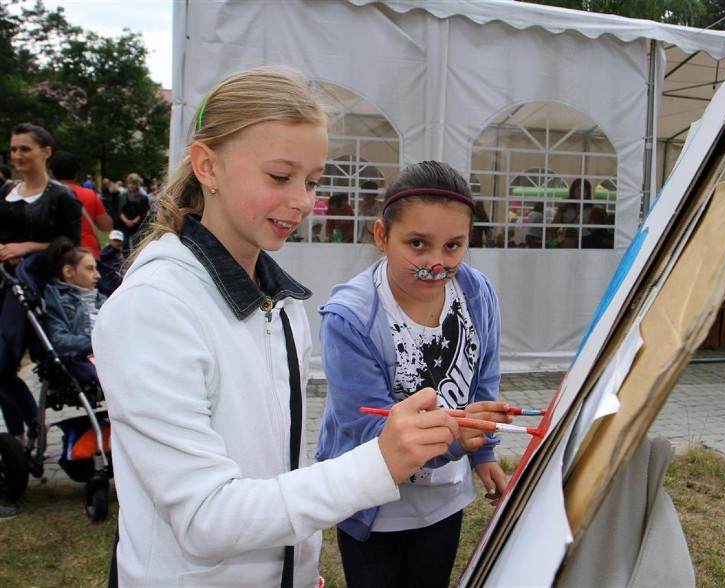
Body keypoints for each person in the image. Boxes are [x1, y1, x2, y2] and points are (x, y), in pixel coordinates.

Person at [91, 65, 465, 587]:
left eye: (312, 180)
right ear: (208, 166)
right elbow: (205, 518)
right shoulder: (154, 308)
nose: (302, 201)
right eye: (279, 176)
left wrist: (295, 565)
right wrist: (379, 462)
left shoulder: (283, 304)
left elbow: (273, 473)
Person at [316, 160, 510, 588]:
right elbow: (367, 427)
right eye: (418, 244)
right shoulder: (349, 319)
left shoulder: (477, 293)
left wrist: (483, 451)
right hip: (375, 505)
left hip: (443, 499)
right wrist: (455, 438)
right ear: (382, 236)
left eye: (453, 246)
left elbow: (483, 379)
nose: (437, 264)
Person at [0, 122, 81, 443]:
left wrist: (29, 248)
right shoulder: (4, 192)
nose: (17, 155)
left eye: (25, 149)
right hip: (4, 284)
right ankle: (18, 436)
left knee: (6, 362)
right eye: (14, 149)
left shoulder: (62, 197)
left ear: (45, 152)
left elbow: (72, 247)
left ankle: (32, 427)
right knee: (3, 367)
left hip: (37, 290)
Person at [43, 237, 106, 386]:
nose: (98, 275)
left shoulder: (101, 298)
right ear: (69, 271)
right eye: (90, 268)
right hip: (87, 355)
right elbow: (60, 341)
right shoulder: (58, 300)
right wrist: (95, 341)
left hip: (113, 348)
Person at [49, 151, 113, 259]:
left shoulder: (46, 196)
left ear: (52, 174)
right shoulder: (89, 195)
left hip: (57, 254)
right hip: (86, 253)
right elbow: (106, 226)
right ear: (77, 174)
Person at [116, 172, 151, 253]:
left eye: (133, 184)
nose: (131, 186)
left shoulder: (143, 198)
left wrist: (133, 221)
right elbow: (119, 211)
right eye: (129, 183)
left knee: (136, 244)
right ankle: (126, 260)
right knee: (124, 244)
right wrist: (126, 221)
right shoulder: (122, 196)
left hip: (137, 225)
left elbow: (143, 212)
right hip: (124, 224)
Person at [96, 230, 125, 296]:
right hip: (107, 281)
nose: (117, 243)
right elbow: (101, 257)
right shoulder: (109, 250)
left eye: (119, 241)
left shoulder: (117, 251)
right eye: (115, 240)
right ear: (109, 240)